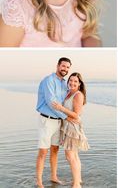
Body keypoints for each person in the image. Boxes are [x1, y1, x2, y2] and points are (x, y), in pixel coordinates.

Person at [35, 57, 72, 188]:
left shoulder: (64, 83)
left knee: (55, 149)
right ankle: (39, 182)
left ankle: (53, 176)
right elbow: (52, 103)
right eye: (63, 66)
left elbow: (64, 103)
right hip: (47, 120)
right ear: (57, 65)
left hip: (58, 121)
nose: (65, 69)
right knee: (43, 152)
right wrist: (66, 117)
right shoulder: (48, 80)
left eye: (68, 67)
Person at [52, 72, 89, 188]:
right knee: (74, 155)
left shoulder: (78, 95)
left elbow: (76, 115)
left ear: (79, 84)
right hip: (67, 126)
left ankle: (76, 184)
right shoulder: (68, 93)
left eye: (75, 81)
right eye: (70, 80)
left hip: (72, 128)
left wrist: (61, 108)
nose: (72, 83)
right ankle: (79, 180)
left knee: (70, 156)